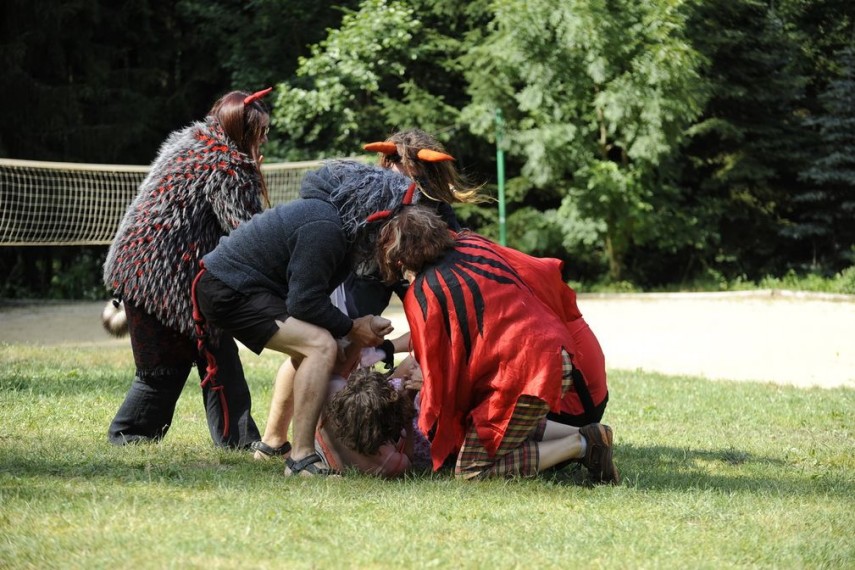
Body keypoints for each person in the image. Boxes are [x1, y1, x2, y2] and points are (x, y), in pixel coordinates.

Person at [251, 128, 486, 460]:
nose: (395, 169)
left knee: (345, 358)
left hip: (386, 282)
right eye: (392, 161)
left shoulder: (435, 204)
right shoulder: (368, 187)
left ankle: (334, 443)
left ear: (423, 170)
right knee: (318, 351)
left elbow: (447, 250)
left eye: (404, 164)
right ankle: (276, 441)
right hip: (347, 277)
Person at [193, 160, 419, 476]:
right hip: (229, 289)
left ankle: (274, 444)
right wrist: (352, 327)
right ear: (375, 213)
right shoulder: (324, 227)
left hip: (240, 287)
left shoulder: (337, 226)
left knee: (319, 347)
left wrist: (352, 331)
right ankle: (301, 459)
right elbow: (304, 303)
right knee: (320, 346)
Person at [374, 206, 619, 483]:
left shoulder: (426, 292)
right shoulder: (472, 243)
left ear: (399, 259)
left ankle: (583, 445)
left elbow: (444, 374)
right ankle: (588, 436)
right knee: (487, 425)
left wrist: (427, 388)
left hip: (528, 373)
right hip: (551, 351)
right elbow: (538, 271)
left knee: (471, 469)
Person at [102, 88, 274, 448]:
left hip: (137, 268)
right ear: (242, 130)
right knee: (164, 370)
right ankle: (129, 436)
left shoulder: (191, 142)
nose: (265, 140)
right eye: (261, 132)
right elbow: (248, 232)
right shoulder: (228, 165)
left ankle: (239, 441)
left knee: (216, 353)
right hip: (163, 279)